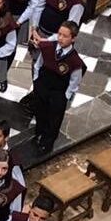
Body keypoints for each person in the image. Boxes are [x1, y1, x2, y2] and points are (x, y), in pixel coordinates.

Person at [30, 21, 84, 155]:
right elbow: (39, 63)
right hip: (43, 85)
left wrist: (66, 96)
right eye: (59, 34)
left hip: (58, 92)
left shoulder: (75, 60)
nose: (60, 38)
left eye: (65, 36)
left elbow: (75, 81)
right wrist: (36, 80)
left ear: (73, 38)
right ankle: (39, 133)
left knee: (53, 118)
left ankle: (47, 143)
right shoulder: (49, 47)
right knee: (40, 111)